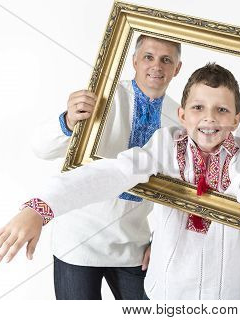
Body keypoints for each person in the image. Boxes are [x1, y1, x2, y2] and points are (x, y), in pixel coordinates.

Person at [0, 63, 240, 300]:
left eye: (221, 110)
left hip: (221, 300)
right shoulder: (166, 144)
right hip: (162, 295)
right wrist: (41, 206)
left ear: (236, 120)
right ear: (183, 115)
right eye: (199, 107)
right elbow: (114, 172)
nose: (209, 118)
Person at [28, 34, 182, 300]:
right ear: (134, 60)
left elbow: (179, 193)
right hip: (78, 242)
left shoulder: (180, 117)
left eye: (166, 60)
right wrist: (67, 121)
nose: (156, 66)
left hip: (134, 245)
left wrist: (161, 242)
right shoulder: (101, 98)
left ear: (177, 68)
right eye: (148, 57)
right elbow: (40, 148)